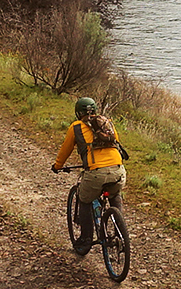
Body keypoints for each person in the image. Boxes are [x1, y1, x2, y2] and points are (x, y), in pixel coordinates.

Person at [51, 95, 126, 255]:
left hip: (96, 173)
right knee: (114, 194)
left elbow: (66, 149)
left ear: (78, 113)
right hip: (118, 169)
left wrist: (57, 166)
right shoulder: (107, 123)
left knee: (84, 200)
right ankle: (121, 233)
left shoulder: (76, 127)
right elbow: (116, 143)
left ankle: (85, 241)